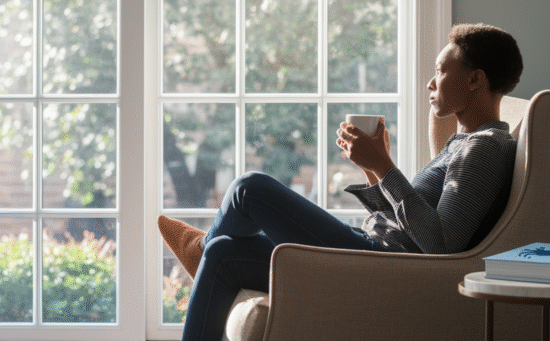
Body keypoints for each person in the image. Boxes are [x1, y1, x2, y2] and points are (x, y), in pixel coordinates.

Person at [157, 23, 524, 341]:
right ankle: (206, 248)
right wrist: (374, 167)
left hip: (379, 266)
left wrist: (384, 168)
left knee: (249, 188)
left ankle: (198, 247)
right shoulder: (464, 144)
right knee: (223, 254)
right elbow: (415, 225)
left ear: (476, 79)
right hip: (372, 251)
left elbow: (442, 246)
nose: (431, 82)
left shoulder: (484, 148)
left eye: (442, 70)